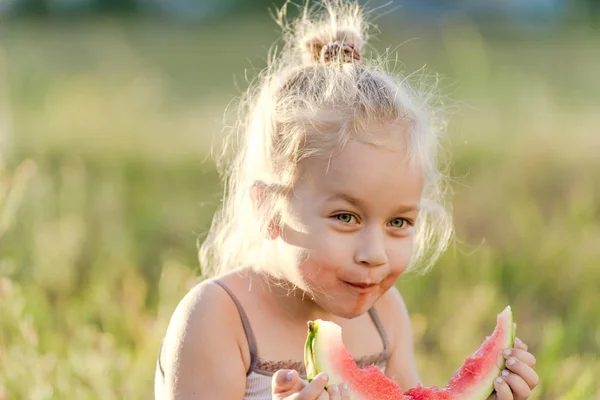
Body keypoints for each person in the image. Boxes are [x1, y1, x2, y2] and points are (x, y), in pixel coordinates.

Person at [154, 1, 539, 399]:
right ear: (269, 207)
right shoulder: (218, 318)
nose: (375, 255)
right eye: (346, 216)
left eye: (399, 222)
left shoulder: (384, 315)